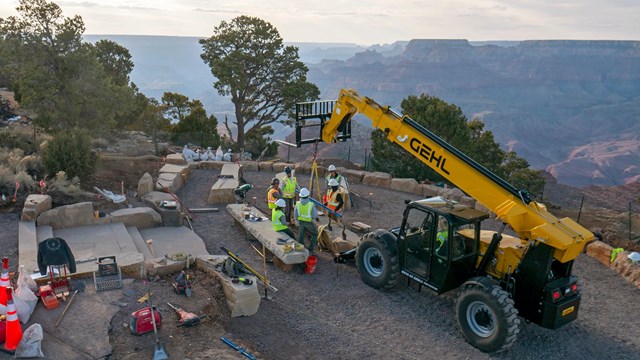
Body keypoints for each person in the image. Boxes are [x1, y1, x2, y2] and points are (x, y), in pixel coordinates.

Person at [294, 188, 319, 254]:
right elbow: (314, 215)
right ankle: (310, 249)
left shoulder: (297, 204)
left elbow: (295, 214)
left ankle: (301, 248)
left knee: (301, 235)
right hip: (308, 222)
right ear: (308, 195)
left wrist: (296, 220)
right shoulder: (311, 204)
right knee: (315, 234)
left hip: (300, 222)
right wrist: (313, 219)